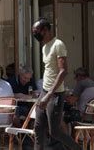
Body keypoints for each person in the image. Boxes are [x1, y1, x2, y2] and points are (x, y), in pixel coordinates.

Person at [31, 18, 81, 150]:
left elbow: (63, 71)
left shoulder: (58, 44)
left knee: (55, 132)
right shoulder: (44, 46)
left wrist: (49, 95)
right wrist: (44, 94)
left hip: (55, 94)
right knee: (38, 127)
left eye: (36, 31)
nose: (35, 34)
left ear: (45, 30)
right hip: (45, 91)